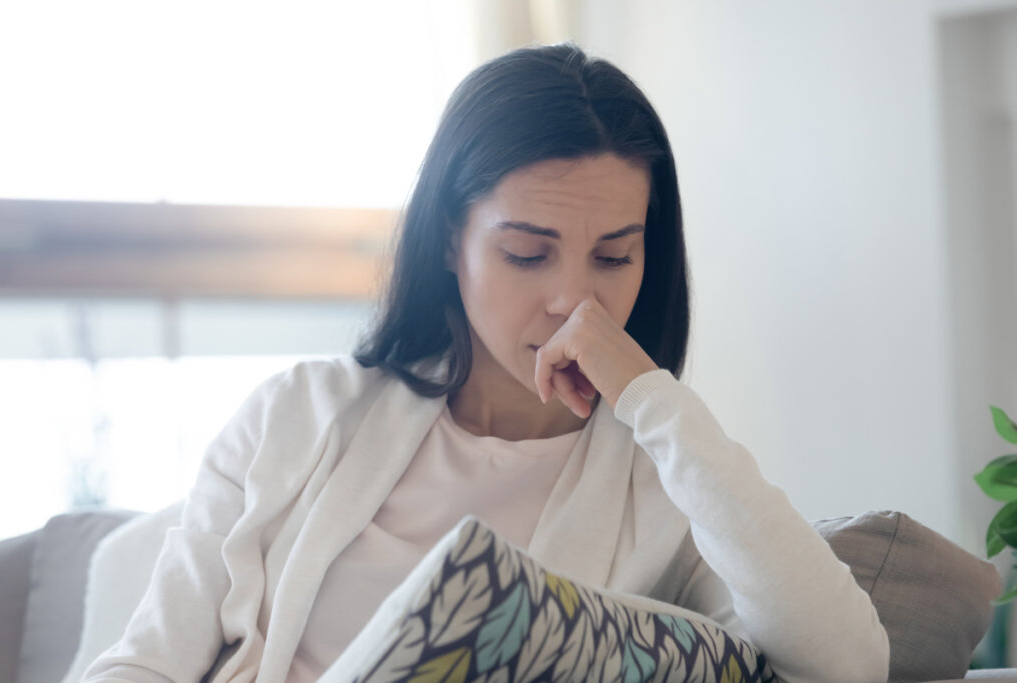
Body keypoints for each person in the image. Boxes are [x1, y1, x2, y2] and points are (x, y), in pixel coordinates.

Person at [83, 43, 889, 682]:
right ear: (447, 240)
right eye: (527, 254)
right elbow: (146, 661)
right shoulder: (297, 416)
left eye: (614, 258)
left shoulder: (663, 482)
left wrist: (650, 394)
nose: (574, 303)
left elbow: (848, 660)